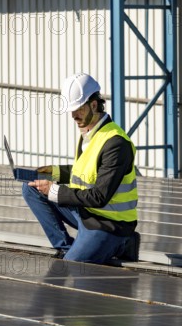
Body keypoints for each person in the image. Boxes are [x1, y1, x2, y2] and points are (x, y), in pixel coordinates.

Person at [22, 72, 140, 264]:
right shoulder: (88, 132)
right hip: (86, 213)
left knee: (73, 266)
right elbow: (86, 171)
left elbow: (99, 197)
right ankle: (66, 248)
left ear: (94, 105)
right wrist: (55, 171)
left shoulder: (116, 143)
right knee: (30, 188)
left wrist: (53, 191)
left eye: (78, 109)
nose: (73, 116)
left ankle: (123, 243)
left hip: (109, 224)